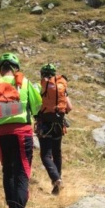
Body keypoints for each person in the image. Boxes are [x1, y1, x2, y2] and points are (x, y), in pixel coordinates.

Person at [0, 53, 42, 208]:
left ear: (1, 68)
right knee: (22, 173)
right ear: (16, 67)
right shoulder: (25, 83)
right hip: (22, 133)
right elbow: (37, 107)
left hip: (0, 133)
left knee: (8, 171)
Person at [36, 64, 72, 196]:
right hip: (58, 124)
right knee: (57, 153)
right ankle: (58, 183)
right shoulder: (61, 86)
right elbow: (70, 107)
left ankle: (56, 179)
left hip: (45, 123)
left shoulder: (42, 86)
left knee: (45, 154)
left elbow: (36, 105)